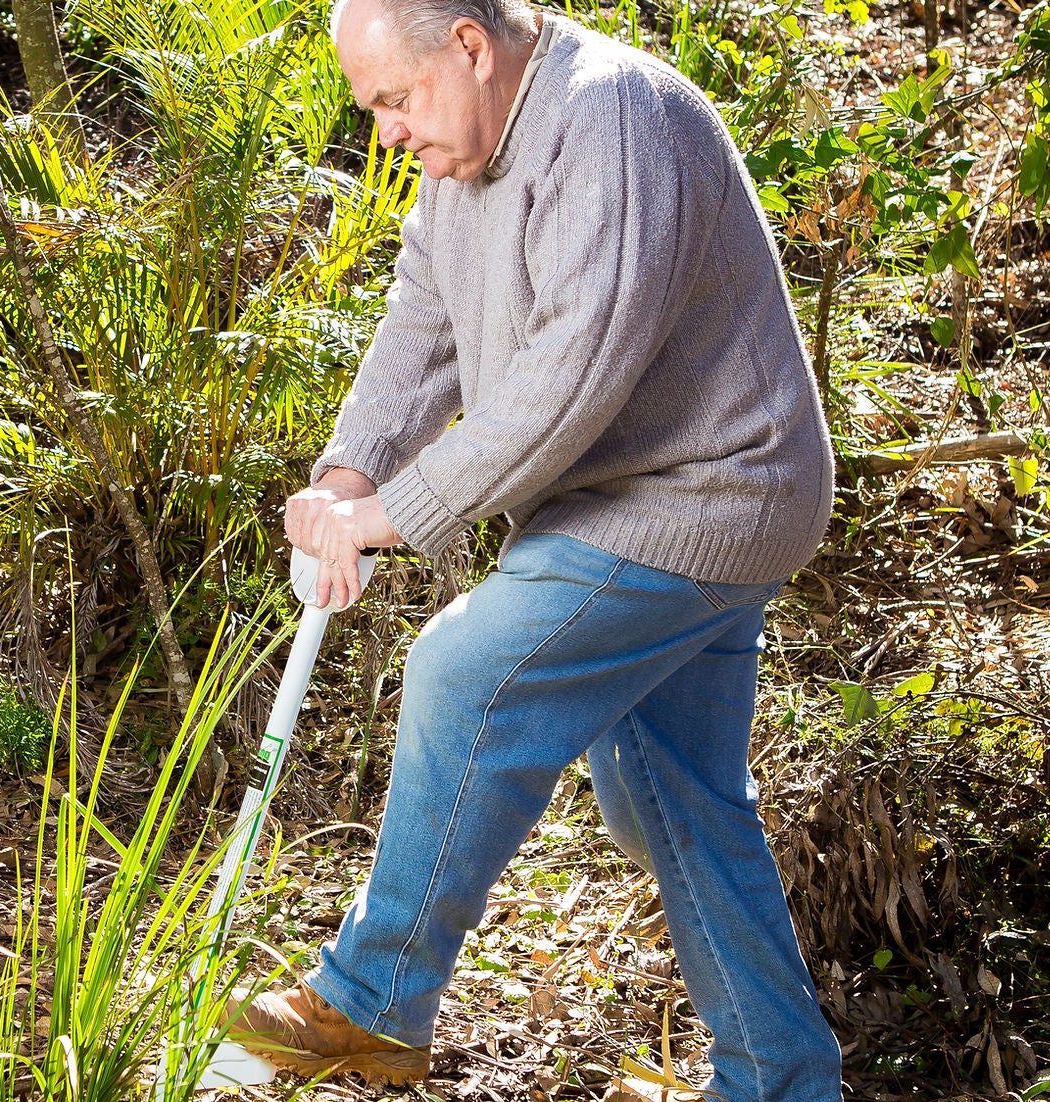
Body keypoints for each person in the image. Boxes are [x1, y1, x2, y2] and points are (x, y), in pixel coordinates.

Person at [231, 0, 843, 1097]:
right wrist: (347, 472)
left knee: (464, 668)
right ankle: (780, 1079)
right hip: (627, 501)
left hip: (708, 492)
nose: (384, 132)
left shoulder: (611, 119)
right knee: (666, 794)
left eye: (394, 99)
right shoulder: (463, 152)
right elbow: (424, 316)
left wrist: (393, 517)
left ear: (468, 43)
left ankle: (373, 1001)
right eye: (371, 106)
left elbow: (570, 379)